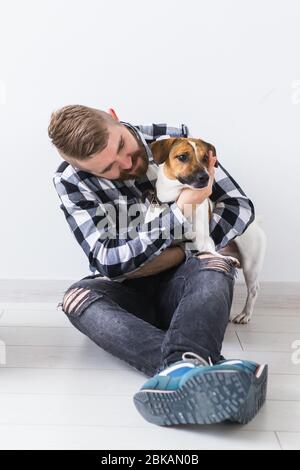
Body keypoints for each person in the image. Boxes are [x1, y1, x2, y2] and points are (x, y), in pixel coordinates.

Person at [48, 105, 268, 426]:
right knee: (77, 298)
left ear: (115, 116)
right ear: (80, 168)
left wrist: (177, 253)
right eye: (108, 168)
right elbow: (108, 262)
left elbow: (239, 207)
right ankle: (192, 367)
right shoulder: (71, 181)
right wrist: (180, 216)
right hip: (129, 298)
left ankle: (180, 372)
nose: (126, 163)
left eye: (122, 145)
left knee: (215, 264)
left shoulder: (175, 141)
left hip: (187, 284)